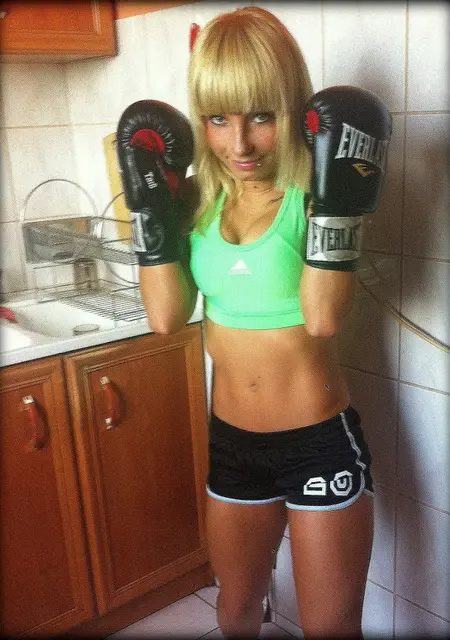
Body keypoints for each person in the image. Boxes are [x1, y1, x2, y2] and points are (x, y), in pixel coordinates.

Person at [116, 6, 392, 638]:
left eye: (261, 117)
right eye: (218, 119)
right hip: (233, 441)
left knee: (330, 627)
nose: (238, 143)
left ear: (293, 110)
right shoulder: (194, 201)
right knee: (235, 611)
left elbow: (322, 318)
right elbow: (165, 317)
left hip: (317, 440)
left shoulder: (313, 196)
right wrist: (151, 210)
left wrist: (337, 207)